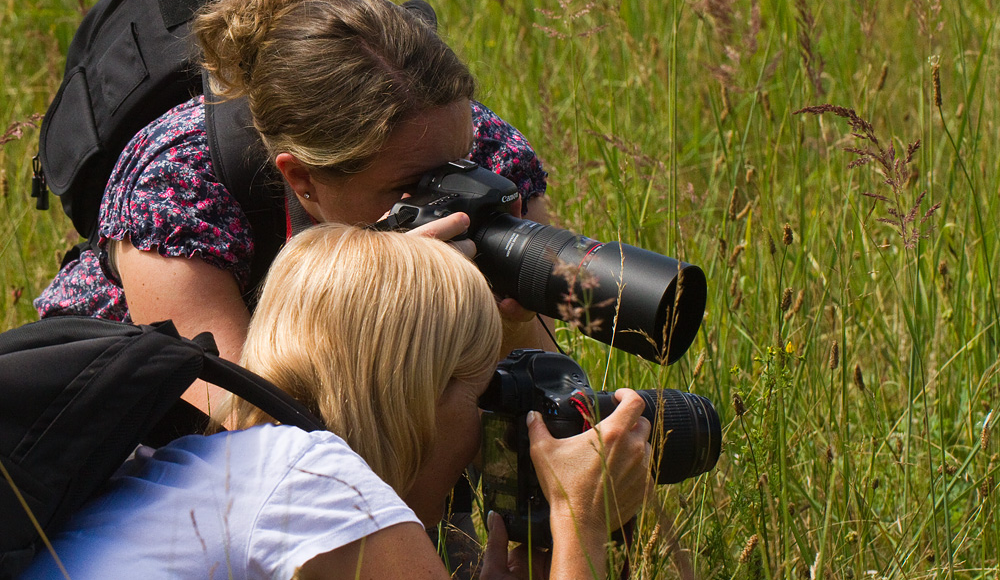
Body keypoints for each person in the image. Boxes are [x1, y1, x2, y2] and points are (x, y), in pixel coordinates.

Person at [34, 0, 555, 408]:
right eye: (412, 186)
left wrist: (512, 316)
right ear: (302, 177)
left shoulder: (475, 144)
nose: (456, 190)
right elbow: (248, 428)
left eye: (459, 163)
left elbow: (542, 376)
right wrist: (381, 293)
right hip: (131, 416)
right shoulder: (177, 187)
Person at [22, 225, 652, 580]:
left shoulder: (186, 466)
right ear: (418, 393)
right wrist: (579, 524)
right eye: (481, 392)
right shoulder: (320, 485)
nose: (486, 425)